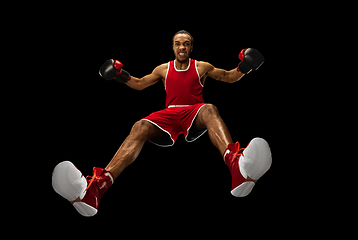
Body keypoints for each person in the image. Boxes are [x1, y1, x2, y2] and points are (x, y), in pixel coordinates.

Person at [52, 30, 272, 217]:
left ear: (191, 47)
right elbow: (139, 84)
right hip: (169, 114)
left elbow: (229, 76)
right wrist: (120, 75)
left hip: (194, 111)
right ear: (173, 47)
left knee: (210, 108)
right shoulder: (162, 69)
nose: (182, 47)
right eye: (178, 43)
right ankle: (96, 189)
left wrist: (245, 67)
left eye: (186, 43)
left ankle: (237, 167)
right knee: (139, 126)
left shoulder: (202, 67)